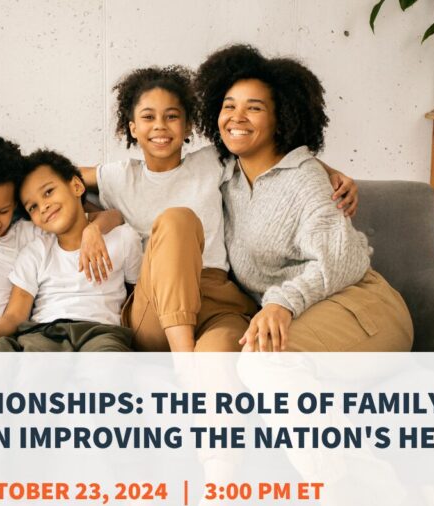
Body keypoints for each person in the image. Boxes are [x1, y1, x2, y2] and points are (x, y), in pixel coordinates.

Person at [192, 44, 434, 506]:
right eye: (229, 104)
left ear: (282, 115)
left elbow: (343, 256)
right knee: (257, 368)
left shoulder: (305, 177)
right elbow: (144, 168)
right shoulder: (226, 177)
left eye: (255, 107)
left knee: (262, 363)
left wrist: (281, 303)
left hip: (362, 308)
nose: (237, 116)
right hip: (312, 318)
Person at [80, 65, 359, 356]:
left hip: (218, 302)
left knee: (223, 361)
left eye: (172, 116)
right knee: (178, 219)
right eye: (148, 117)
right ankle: (185, 362)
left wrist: (330, 171)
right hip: (155, 307)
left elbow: (271, 155)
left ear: (188, 126)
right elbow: (57, 179)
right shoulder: (118, 176)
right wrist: (95, 223)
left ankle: (198, 383)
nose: (160, 126)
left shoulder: (212, 161)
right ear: (132, 127)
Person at [0, 136, 122, 352]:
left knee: (1, 358)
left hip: (0, 332)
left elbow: (112, 216)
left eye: (2, 211)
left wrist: (93, 229)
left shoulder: (27, 233)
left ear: (14, 206)